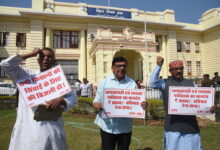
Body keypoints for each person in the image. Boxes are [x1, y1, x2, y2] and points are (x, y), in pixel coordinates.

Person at [0, 47, 77, 150]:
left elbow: (73, 97)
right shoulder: (25, 75)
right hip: (29, 130)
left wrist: (62, 101)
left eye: (49, 57)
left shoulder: (58, 79)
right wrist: (31, 54)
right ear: (38, 60)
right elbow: (5, 64)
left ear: (53, 61)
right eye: (42, 56)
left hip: (53, 129)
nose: (45, 59)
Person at [148, 56, 216, 150]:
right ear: (170, 71)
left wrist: (210, 108)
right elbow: (151, 83)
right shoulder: (164, 83)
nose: (179, 71)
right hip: (173, 126)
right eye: (176, 69)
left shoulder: (191, 84)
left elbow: (200, 101)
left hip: (190, 126)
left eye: (181, 69)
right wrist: (158, 66)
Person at [93, 56, 147, 150]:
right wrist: (96, 104)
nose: (122, 68)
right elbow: (96, 100)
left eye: (124, 66)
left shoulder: (132, 83)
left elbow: (137, 102)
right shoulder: (104, 82)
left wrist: (143, 105)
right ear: (113, 68)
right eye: (119, 66)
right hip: (107, 126)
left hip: (125, 127)